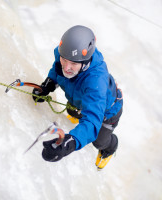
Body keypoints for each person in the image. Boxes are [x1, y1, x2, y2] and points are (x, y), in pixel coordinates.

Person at [32, 25, 123, 170]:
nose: (67, 67)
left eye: (73, 63)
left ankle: (110, 148)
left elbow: (92, 121)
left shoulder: (95, 82)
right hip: (79, 99)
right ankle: (77, 114)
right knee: (72, 111)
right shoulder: (65, 53)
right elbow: (57, 69)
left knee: (99, 141)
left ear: (86, 62)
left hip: (107, 110)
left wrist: (71, 142)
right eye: (64, 60)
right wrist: (49, 84)